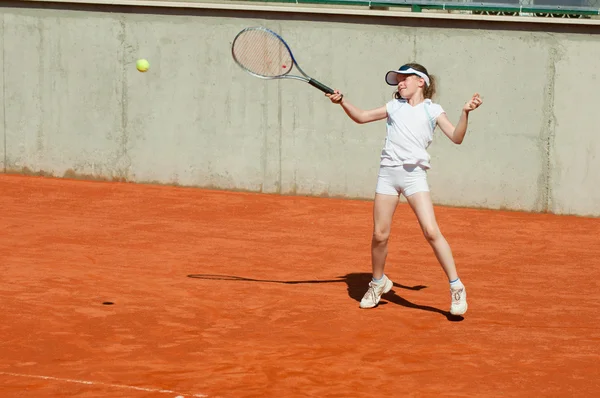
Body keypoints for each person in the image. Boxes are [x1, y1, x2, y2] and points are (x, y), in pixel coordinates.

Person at [326, 63, 482, 315]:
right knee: (379, 234)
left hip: (414, 176)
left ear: (421, 81)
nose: (399, 83)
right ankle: (378, 282)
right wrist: (342, 102)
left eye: (404, 78)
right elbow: (362, 117)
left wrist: (465, 112)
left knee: (431, 232)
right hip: (388, 174)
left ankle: (456, 287)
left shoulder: (433, 110)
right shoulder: (393, 107)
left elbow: (456, 137)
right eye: (397, 80)